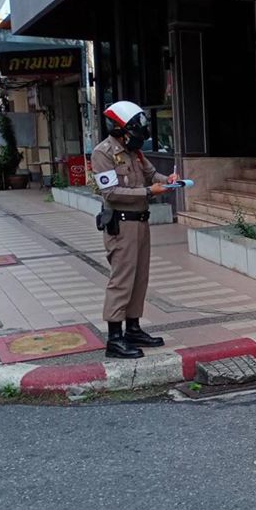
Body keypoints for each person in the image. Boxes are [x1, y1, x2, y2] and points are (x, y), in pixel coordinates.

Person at [92, 100, 177, 359]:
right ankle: (115, 338)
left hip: (140, 222)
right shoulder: (103, 153)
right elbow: (111, 192)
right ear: (119, 129)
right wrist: (150, 191)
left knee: (140, 278)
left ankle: (134, 329)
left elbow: (152, 175)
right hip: (121, 225)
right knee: (121, 280)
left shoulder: (134, 151)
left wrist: (170, 180)